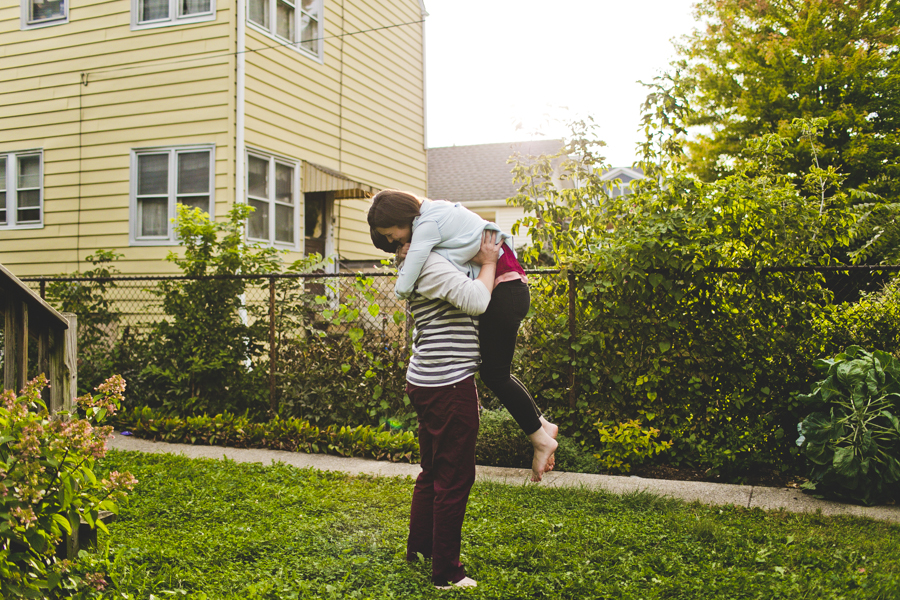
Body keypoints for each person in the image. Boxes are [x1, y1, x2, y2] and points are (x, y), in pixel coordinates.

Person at [368, 189, 558, 482]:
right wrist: (403, 253)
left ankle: (541, 437)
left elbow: (404, 287)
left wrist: (406, 257)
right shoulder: (437, 215)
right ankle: (542, 426)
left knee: (495, 374)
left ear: (402, 218)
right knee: (496, 371)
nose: (394, 241)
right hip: (510, 288)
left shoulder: (428, 225)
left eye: (391, 234)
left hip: (506, 289)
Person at [402, 230, 504, 590]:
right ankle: (445, 572)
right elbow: (478, 299)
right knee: (454, 478)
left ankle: (421, 550)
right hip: (449, 383)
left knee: (431, 471)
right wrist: (490, 261)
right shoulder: (430, 264)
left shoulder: (415, 265)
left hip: (425, 379)